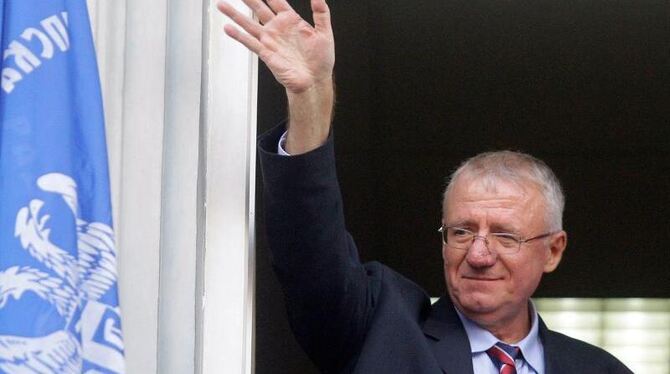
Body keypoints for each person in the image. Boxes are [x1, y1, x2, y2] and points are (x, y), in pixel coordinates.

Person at [218, 0, 633, 373]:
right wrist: (310, 95)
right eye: (462, 231)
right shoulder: (381, 330)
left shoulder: (600, 370)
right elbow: (311, 255)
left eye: (505, 236)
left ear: (553, 250)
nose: (478, 254)